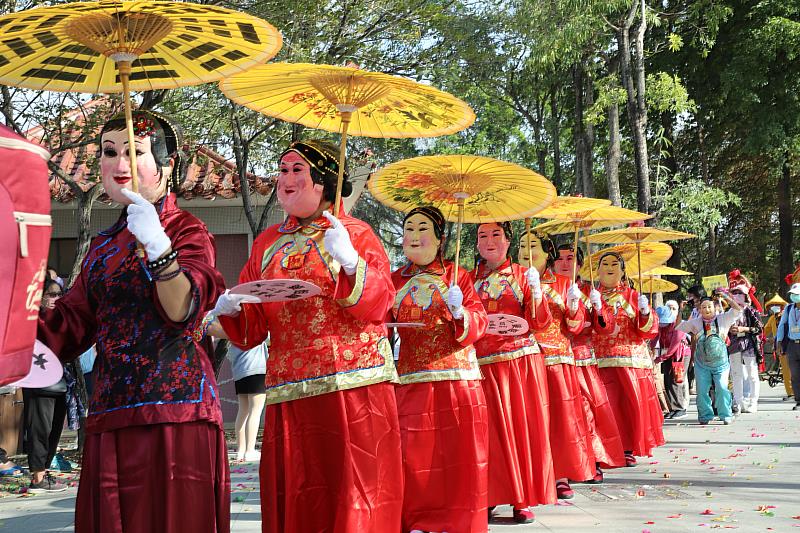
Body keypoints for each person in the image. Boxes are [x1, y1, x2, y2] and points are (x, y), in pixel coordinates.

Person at [38, 110, 228, 532]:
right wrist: (18, 312)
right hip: (111, 413)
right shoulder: (102, 248)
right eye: (109, 152)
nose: (119, 164)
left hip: (176, 413)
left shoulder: (187, 231)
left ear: (167, 163)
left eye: (135, 151)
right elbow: (69, 326)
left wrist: (159, 248)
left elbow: (183, 309)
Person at [215, 140, 403, 533]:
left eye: (297, 170)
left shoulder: (356, 233)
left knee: (355, 493)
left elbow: (382, 303)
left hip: (353, 388)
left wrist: (351, 261)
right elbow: (252, 328)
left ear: (322, 181)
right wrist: (232, 309)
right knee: (300, 494)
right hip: (290, 391)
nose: (286, 178)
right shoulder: (266, 244)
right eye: (282, 169)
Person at [391, 206, 489, 533]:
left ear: (440, 238)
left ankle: (458, 521)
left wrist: (461, 312)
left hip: (458, 378)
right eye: (409, 229)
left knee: (459, 458)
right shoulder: (393, 280)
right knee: (412, 455)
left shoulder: (458, 277)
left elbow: (480, 323)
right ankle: (418, 519)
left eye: (423, 229)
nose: (414, 236)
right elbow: (375, 324)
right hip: (410, 378)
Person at [471, 222, 554, 524]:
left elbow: (541, 323)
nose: (489, 241)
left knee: (521, 431)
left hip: (519, 365)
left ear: (507, 242)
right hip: (480, 365)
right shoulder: (467, 279)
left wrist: (536, 293)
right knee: (486, 435)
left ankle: (522, 498)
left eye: (496, 235)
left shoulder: (521, 275)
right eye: (482, 236)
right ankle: (488, 496)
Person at [520, 231, 594, 500]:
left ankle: (561, 474)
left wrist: (575, 306)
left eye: (534, 246)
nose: (528, 252)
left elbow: (575, 327)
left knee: (559, 421)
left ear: (547, 252)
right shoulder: (514, 279)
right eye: (522, 246)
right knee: (528, 420)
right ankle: (529, 475)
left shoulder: (563, 284)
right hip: (524, 361)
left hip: (556, 360)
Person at [555, 243, 625, 481]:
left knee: (587, 412)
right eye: (560, 258)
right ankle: (564, 467)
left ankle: (591, 459)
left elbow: (607, 328)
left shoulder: (589, 291)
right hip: (554, 360)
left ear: (580, 264)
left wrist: (597, 307)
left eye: (571, 258)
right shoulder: (545, 288)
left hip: (583, 359)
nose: (565, 263)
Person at [591, 252, 664, 463]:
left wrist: (644, 312)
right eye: (605, 264)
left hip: (630, 359)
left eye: (615, 264)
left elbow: (647, 331)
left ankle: (627, 447)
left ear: (623, 271)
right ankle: (603, 448)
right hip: (599, 358)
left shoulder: (632, 296)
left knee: (628, 406)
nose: (609, 267)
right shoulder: (591, 295)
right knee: (605, 406)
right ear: (597, 270)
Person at [23, 278, 68, 492]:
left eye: (59, 294)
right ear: (40, 298)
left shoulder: (63, 319)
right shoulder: (31, 319)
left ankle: (44, 472)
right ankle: (37, 477)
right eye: (51, 294)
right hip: (38, 381)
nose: (55, 298)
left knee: (55, 428)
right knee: (39, 429)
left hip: (61, 381)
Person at [677, 291, 742, 424]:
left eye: (709, 306)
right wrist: (680, 310)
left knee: (722, 388)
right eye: (704, 307)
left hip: (721, 363)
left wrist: (725, 297)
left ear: (715, 307)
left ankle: (726, 414)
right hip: (702, 364)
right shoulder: (695, 322)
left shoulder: (724, 318)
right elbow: (678, 326)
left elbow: (737, 309)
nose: (707, 309)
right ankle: (705, 415)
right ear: (699, 309)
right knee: (701, 391)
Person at [727, 281, 763, 414]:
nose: (736, 295)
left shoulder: (751, 311)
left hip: (749, 345)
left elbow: (759, 328)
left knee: (752, 374)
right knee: (736, 374)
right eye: (734, 293)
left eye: (739, 293)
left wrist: (744, 328)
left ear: (746, 295)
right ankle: (739, 402)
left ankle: (753, 402)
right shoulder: (728, 312)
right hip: (734, 345)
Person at [227, 343, 267, 462]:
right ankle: (250, 450)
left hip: (239, 371)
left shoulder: (233, 329)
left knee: (243, 410)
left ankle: (241, 450)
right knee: (255, 411)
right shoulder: (254, 326)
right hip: (256, 369)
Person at [653, 305, 690, 419]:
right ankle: (672, 408)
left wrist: (659, 359)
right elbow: (655, 338)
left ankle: (680, 408)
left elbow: (674, 347)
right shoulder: (661, 327)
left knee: (676, 380)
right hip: (667, 356)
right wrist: (649, 350)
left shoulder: (678, 326)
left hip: (680, 356)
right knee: (667, 381)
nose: (662, 324)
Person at [776, 283, 800, 411]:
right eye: (793, 294)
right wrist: (779, 342)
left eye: (797, 294)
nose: (794, 297)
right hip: (792, 344)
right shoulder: (789, 308)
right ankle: (798, 400)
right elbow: (781, 325)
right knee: (795, 374)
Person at [763, 295, 791, 399]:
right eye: (773, 305)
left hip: (790, 343)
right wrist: (761, 338)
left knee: (794, 369)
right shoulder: (772, 318)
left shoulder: (788, 314)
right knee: (786, 370)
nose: (774, 307)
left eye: (777, 305)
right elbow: (765, 331)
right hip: (780, 346)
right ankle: (791, 393)